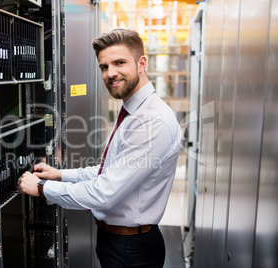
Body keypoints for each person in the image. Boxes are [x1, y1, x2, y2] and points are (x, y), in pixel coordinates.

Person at [18, 28, 181, 267]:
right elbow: (110, 171)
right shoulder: (133, 111)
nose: (110, 73)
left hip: (131, 249)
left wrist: (43, 188)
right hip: (117, 241)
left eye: (119, 63)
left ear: (141, 63)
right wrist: (60, 175)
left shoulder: (150, 121)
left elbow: (105, 192)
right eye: (104, 67)